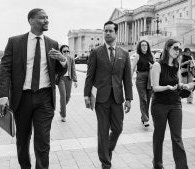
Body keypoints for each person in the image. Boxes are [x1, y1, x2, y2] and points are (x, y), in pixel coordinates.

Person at [0, 8, 67, 169]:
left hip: (45, 99)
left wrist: (63, 61)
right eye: (42, 18)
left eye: (47, 17)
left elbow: (59, 71)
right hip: (22, 98)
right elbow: (5, 70)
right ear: (31, 20)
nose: (46, 20)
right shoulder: (14, 42)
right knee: (22, 140)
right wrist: (3, 95)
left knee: (43, 141)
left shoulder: (52, 43)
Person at [84, 21, 133, 169]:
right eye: (105, 31)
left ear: (116, 33)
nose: (107, 33)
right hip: (101, 98)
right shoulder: (96, 52)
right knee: (103, 131)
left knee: (118, 128)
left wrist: (129, 98)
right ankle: (106, 163)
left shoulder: (123, 53)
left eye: (110, 31)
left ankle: (106, 150)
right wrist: (86, 95)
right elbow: (89, 75)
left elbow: (127, 78)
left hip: (117, 98)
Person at [151, 39, 195, 169]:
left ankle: (182, 167)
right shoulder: (157, 65)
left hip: (175, 104)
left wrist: (185, 85)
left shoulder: (177, 65)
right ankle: (158, 165)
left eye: (179, 49)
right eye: (175, 48)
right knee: (159, 136)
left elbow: (178, 83)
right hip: (160, 105)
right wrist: (167, 87)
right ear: (167, 48)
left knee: (177, 138)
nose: (178, 51)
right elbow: (155, 87)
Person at [131, 40, 154, 127]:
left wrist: (153, 66)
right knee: (143, 98)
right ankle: (146, 119)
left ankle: (143, 117)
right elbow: (132, 68)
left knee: (148, 99)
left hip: (150, 78)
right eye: (142, 45)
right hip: (140, 78)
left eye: (145, 45)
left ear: (148, 46)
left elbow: (156, 65)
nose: (144, 47)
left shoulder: (151, 55)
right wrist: (129, 80)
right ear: (140, 47)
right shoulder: (137, 56)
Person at [57, 45, 77, 122]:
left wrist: (75, 80)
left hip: (69, 79)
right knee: (63, 96)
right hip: (61, 79)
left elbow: (73, 69)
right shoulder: (58, 59)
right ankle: (63, 115)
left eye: (67, 51)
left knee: (68, 97)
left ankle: (62, 110)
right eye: (64, 51)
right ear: (61, 52)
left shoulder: (71, 58)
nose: (66, 52)